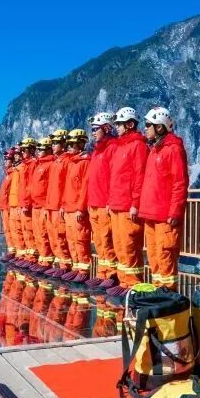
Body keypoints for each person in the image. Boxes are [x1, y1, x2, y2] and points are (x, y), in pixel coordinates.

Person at [140, 107, 188, 291]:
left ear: (159, 127)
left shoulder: (173, 149)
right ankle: (157, 290)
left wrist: (175, 211)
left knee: (165, 254)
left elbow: (180, 183)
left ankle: (168, 292)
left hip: (165, 216)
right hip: (151, 213)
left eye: (148, 125)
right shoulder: (154, 150)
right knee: (153, 255)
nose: (145, 128)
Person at [106, 107, 148, 298]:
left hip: (127, 206)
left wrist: (135, 203)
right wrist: (110, 201)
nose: (117, 127)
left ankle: (133, 284)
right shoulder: (120, 147)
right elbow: (114, 178)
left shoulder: (138, 145)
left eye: (120, 124)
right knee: (119, 245)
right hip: (116, 204)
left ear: (130, 124)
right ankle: (123, 281)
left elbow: (140, 176)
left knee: (129, 245)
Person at [84, 112, 118, 289]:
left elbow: (114, 178)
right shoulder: (97, 150)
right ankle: (102, 272)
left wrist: (110, 201)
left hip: (104, 203)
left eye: (95, 129)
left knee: (107, 239)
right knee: (98, 240)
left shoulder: (112, 148)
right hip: (94, 203)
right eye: (92, 129)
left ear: (106, 128)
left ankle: (112, 274)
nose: (93, 133)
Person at [60, 129, 91, 283]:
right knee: (71, 239)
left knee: (81, 239)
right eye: (69, 145)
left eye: (72, 144)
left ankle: (84, 270)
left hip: (77, 209)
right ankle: (76, 267)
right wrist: (63, 205)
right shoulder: (72, 163)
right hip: (68, 208)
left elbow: (85, 187)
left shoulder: (85, 162)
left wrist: (81, 208)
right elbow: (67, 187)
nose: (69, 147)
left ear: (81, 144)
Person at [44, 129, 72, 277]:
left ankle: (65, 265)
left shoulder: (66, 161)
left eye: (55, 142)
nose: (53, 145)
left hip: (58, 206)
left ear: (63, 143)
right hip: (51, 205)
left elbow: (66, 185)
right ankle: (59, 263)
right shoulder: (56, 161)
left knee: (61, 236)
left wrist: (63, 204)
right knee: (53, 236)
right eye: (52, 143)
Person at [29, 137, 55, 272]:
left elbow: (51, 186)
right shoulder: (39, 165)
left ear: (48, 150)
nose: (38, 151)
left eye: (41, 149)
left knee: (44, 233)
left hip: (44, 205)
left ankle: (47, 261)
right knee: (38, 233)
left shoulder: (50, 165)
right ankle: (42, 259)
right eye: (38, 149)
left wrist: (47, 204)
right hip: (36, 205)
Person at [17, 137, 39, 267]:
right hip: (24, 203)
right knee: (25, 230)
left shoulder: (32, 164)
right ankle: (29, 257)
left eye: (24, 150)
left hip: (29, 204)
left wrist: (26, 203)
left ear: (31, 150)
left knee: (31, 231)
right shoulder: (26, 165)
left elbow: (30, 186)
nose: (22, 153)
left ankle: (33, 258)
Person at [7, 147, 26, 264]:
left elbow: (23, 188)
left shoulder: (22, 168)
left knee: (21, 230)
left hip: (18, 204)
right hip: (13, 204)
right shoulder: (15, 170)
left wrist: (22, 204)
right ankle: (19, 254)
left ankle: (24, 256)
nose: (15, 156)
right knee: (15, 230)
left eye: (18, 154)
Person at [0, 148, 15, 263]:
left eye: (7, 159)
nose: (5, 161)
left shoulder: (13, 174)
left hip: (9, 207)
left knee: (12, 230)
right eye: (5, 159)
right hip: (4, 207)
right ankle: (11, 250)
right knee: (7, 230)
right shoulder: (8, 174)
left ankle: (14, 251)